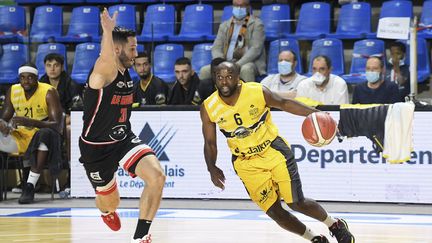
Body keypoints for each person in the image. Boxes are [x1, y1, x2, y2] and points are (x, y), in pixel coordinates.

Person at [200, 61, 355, 243]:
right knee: (275, 212)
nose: (224, 82)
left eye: (229, 77)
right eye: (220, 77)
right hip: (245, 163)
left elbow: (284, 104)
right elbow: (210, 143)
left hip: (273, 151)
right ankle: (315, 238)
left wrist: (316, 115)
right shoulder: (209, 107)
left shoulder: (256, 91)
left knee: (296, 202)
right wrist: (211, 167)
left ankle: (334, 224)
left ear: (238, 77)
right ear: (214, 79)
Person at [78, 9, 165, 243]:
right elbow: (105, 57)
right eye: (133, 48)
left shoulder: (127, 72)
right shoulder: (105, 71)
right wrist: (107, 30)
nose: (136, 54)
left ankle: (141, 236)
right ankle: (106, 211)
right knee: (110, 201)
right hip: (96, 147)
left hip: (123, 138)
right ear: (117, 49)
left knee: (157, 176)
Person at [0, 63, 63, 204]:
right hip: (20, 136)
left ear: (37, 78)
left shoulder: (49, 91)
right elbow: (4, 118)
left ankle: (29, 186)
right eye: (22, 78)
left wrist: (30, 122)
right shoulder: (13, 90)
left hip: (42, 134)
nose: (25, 81)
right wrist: (3, 125)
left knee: (45, 134)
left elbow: (57, 125)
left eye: (30, 78)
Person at [199, 0, 266, 82]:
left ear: (248, 7)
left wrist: (237, 64)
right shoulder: (225, 25)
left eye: (242, 6)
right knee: (204, 70)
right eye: (236, 5)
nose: (239, 8)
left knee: (246, 69)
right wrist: (221, 63)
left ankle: (248, 94)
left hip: (247, 63)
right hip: (225, 62)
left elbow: (255, 49)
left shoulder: (257, 24)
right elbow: (216, 47)